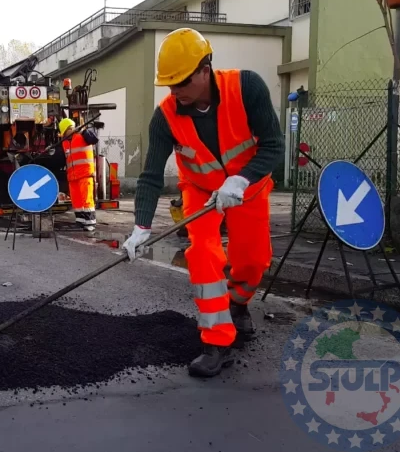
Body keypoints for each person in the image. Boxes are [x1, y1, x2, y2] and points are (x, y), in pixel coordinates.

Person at [122, 28, 285, 378]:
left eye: (181, 82)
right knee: (204, 254)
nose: (175, 91)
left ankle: (238, 304)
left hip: (248, 188)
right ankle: (216, 341)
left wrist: (241, 179)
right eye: (169, 84)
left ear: (204, 69)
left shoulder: (247, 88)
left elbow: (274, 145)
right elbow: (151, 176)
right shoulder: (165, 116)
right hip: (199, 192)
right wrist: (140, 227)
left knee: (253, 260)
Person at [59, 118, 98, 231]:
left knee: (87, 199)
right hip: (72, 176)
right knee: (77, 201)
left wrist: (85, 130)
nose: (65, 134)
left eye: (66, 131)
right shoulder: (65, 142)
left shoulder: (84, 136)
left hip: (85, 174)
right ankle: (80, 221)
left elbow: (94, 139)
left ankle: (90, 223)